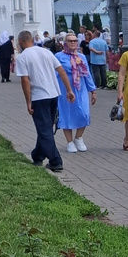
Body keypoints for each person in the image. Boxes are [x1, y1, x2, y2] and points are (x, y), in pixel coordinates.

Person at [16, 30, 74, 171]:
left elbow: (25, 80)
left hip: (39, 96)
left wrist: (28, 101)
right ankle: (38, 155)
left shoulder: (23, 57)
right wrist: (69, 89)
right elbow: (60, 70)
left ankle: (55, 161)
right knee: (46, 128)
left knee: (44, 130)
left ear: (22, 42)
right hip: (54, 94)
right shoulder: (46, 52)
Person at [55, 32, 96, 152]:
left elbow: (87, 74)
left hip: (80, 89)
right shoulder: (58, 56)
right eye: (70, 41)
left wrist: (93, 90)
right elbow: (54, 73)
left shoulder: (81, 57)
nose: (73, 43)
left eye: (75, 41)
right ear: (65, 43)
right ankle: (69, 142)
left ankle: (78, 137)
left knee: (84, 113)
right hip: (65, 91)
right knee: (66, 114)